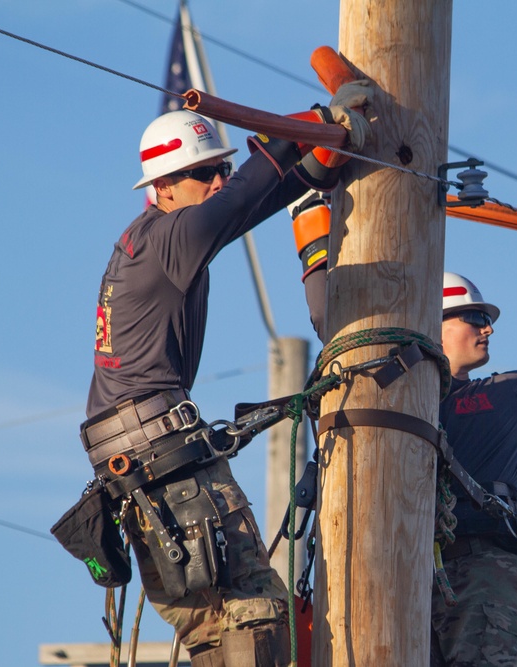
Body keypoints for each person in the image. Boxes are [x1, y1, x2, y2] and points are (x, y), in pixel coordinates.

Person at [77, 79, 371, 667]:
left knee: (214, 632)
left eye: (220, 169)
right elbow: (241, 197)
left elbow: (251, 200)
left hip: (137, 468)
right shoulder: (172, 236)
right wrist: (310, 122)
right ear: (162, 186)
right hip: (165, 457)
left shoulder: (152, 241)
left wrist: (315, 164)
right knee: (257, 612)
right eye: (203, 173)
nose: (215, 182)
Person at [291, 193, 517, 666]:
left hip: (483, 567)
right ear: (434, 323)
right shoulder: (379, 391)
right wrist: (311, 224)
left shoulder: (506, 394)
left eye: (486, 320)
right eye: (474, 317)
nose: (488, 329)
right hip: (393, 566)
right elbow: (336, 329)